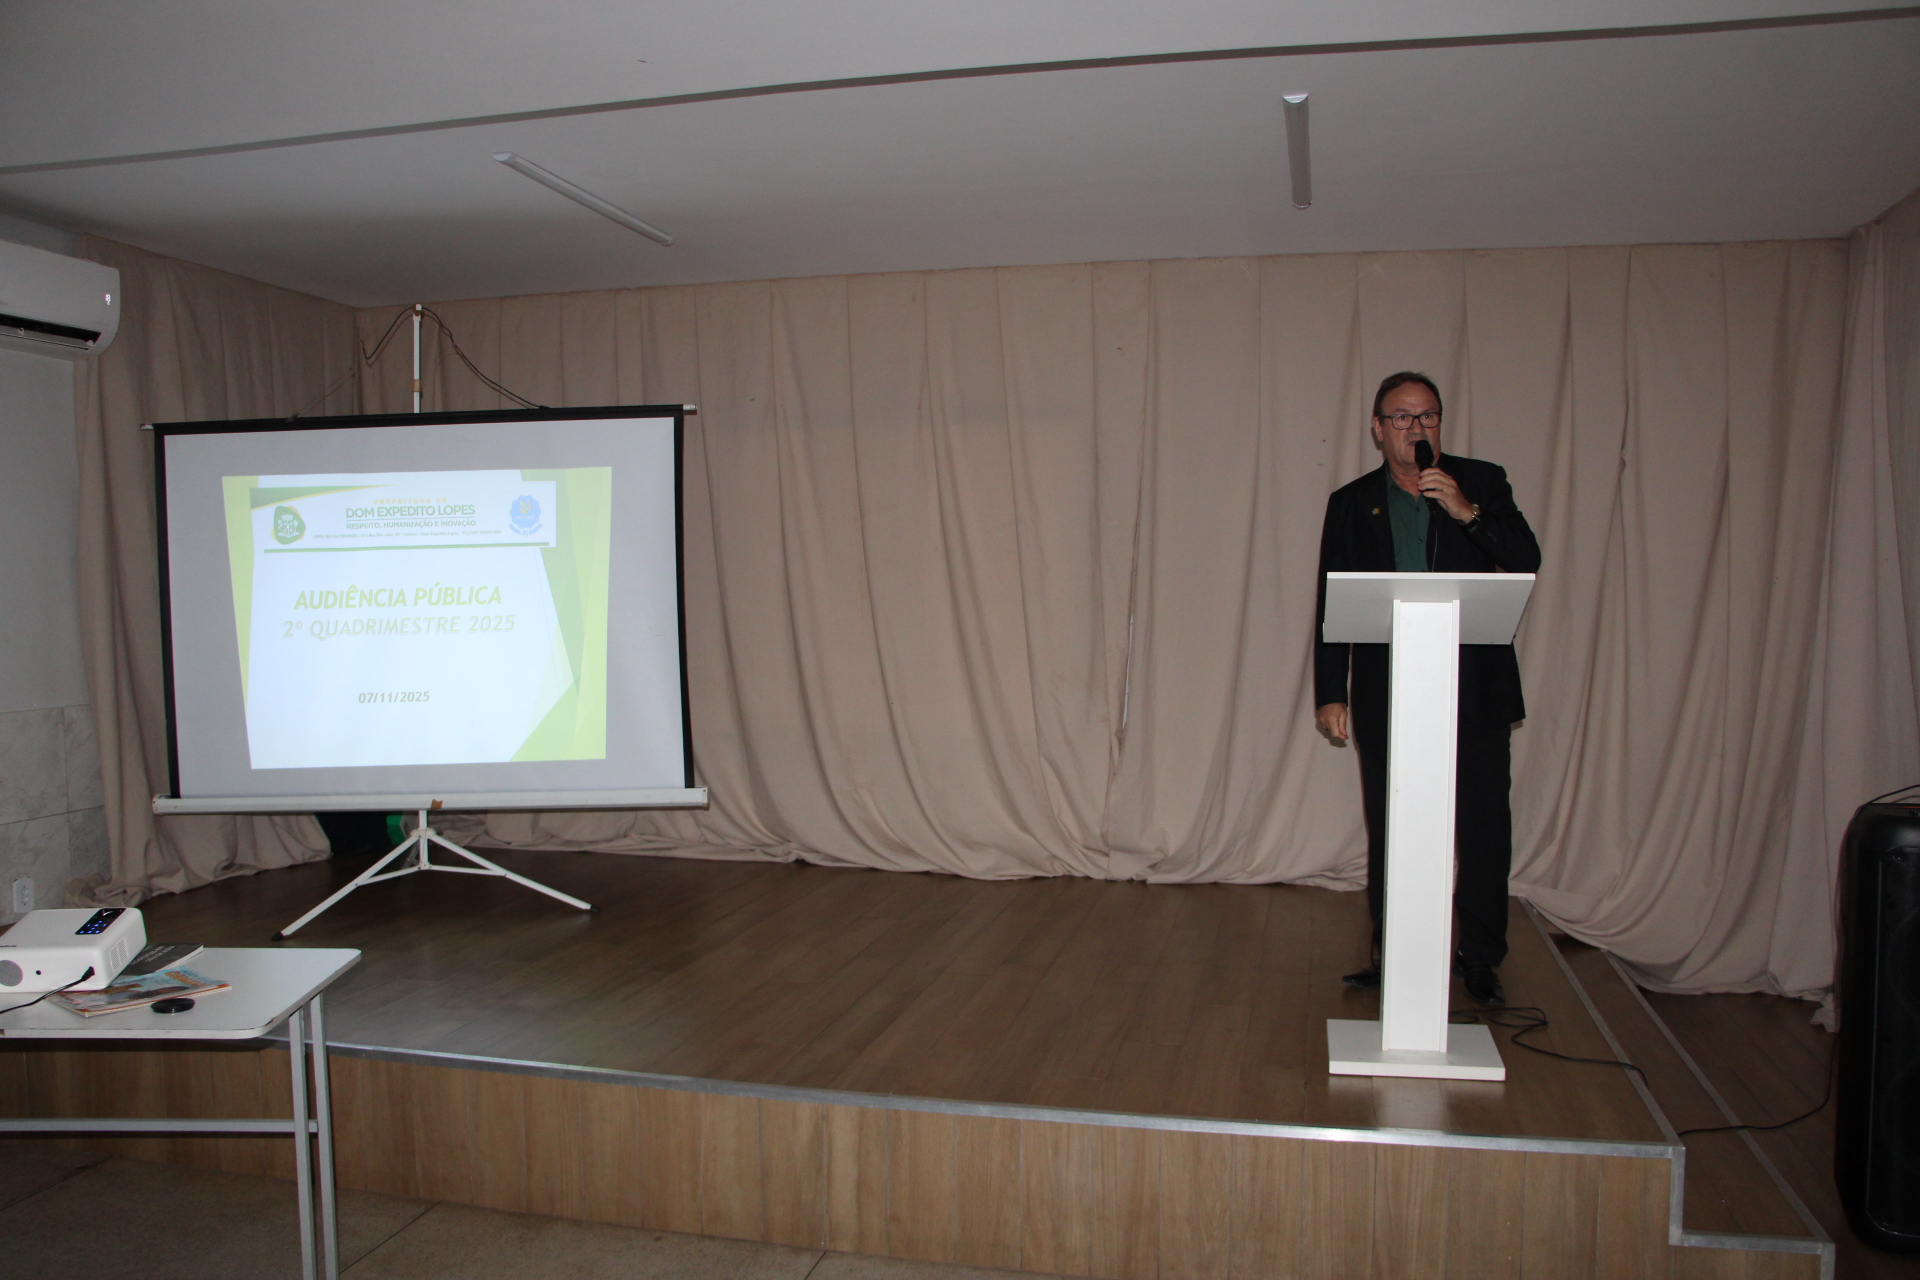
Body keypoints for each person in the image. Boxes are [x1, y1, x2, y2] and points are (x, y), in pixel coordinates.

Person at [1313, 372, 1540, 1007]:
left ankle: (1481, 958)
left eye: (1428, 416)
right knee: (1394, 825)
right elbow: (1333, 597)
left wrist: (1467, 512)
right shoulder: (1353, 502)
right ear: (1378, 428)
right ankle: (1396, 953)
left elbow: (1525, 556)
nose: (1417, 428)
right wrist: (1331, 691)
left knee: (1483, 826)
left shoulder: (1481, 482)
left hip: (1475, 688)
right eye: (1403, 417)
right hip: (1389, 688)